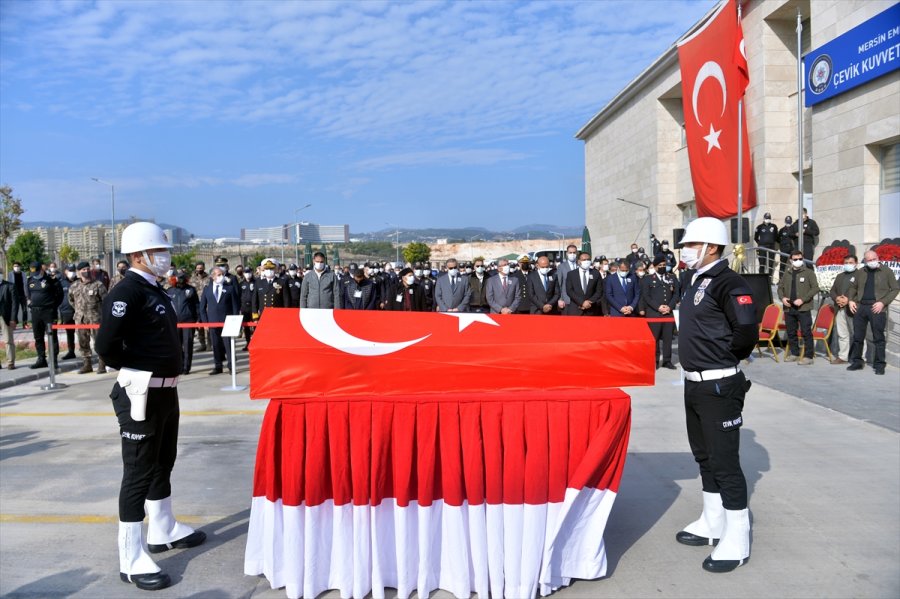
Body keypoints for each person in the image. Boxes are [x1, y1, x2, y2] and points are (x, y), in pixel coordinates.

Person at [95, 222, 205, 591]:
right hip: (140, 392)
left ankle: (163, 526)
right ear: (139, 256)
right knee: (138, 470)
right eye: (159, 252)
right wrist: (137, 367)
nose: (165, 257)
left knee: (163, 460)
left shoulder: (152, 289)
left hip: (164, 391)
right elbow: (107, 346)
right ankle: (131, 555)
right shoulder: (127, 291)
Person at [675, 217, 757, 573]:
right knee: (704, 456)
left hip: (719, 384)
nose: (686, 251)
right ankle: (713, 521)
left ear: (711, 247)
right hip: (694, 383)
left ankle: (737, 536)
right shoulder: (695, 279)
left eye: (692, 245)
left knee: (725, 462)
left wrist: (726, 359)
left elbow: (746, 330)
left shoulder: (729, 282)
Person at [847, 250, 900, 375]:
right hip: (861, 307)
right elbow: (852, 287)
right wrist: (850, 300)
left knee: (878, 337)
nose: (871, 262)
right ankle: (857, 361)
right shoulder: (861, 272)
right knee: (858, 337)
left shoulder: (887, 271)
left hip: (877, 307)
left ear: (877, 258)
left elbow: (895, 289)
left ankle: (880, 364)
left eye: (873, 259)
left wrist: (883, 302)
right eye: (868, 260)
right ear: (865, 261)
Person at [776, 250, 819, 365]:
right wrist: (783, 298)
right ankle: (794, 353)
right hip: (789, 308)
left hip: (803, 308)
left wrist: (803, 299)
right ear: (790, 260)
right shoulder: (787, 273)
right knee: (791, 332)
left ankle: (808, 356)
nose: (798, 261)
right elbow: (780, 288)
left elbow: (815, 288)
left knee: (806, 332)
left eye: (800, 259)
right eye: (795, 259)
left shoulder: (809, 272)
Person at [640, 255, 679, 369]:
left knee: (668, 338)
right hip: (654, 313)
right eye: (660, 265)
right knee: (655, 339)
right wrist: (658, 307)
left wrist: (669, 307)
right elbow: (646, 296)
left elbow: (676, 293)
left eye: (664, 265)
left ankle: (667, 360)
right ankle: (655, 360)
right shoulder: (648, 279)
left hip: (668, 313)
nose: (662, 267)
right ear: (655, 267)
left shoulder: (671, 277)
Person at [69, 261, 108, 374]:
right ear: (79, 272)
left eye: (87, 269)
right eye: (83, 270)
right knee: (83, 342)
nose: (86, 271)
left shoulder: (98, 285)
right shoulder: (74, 286)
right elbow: (71, 300)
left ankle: (102, 364)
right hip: (80, 319)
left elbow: (106, 301)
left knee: (98, 342)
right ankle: (87, 364)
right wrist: (79, 311)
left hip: (95, 318)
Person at [200, 266, 239, 375]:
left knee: (228, 345)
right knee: (216, 345)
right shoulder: (207, 289)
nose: (222, 276)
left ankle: (231, 366)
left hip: (227, 322)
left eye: (222, 274)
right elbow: (202, 307)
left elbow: (235, 306)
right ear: (212, 276)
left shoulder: (229, 288)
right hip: (212, 322)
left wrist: (236, 321)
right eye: (219, 274)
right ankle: (218, 366)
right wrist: (205, 322)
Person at [25, 261, 63, 369]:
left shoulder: (51, 280)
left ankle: (54, 360)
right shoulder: (30, 280)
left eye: (37, 272)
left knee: (52, 336)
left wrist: (53, 306)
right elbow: (28, 294)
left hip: (49, 312)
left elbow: (59, 294)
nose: (35, 275)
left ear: (42, 270)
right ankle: (41, 359)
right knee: (38, 336)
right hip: (36, 312)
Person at [166, 273, 199, 374]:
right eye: (178, 279)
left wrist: (198, 319)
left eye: (182, 279)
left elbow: (196, 305)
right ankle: (179, 366)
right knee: (177, 345)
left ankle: (186, 367)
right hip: (174, 322)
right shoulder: (170, 291)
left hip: (188, 321)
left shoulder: (191, 290)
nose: (180, 281)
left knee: (188, 344)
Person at [828, 255, 858, 365]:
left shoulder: (860, 275)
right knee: (842, 334)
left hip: (853, 309)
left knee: (857, 334)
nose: (848, 264)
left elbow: (861, 292)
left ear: (856, 263)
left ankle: (859, 358)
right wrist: (837, 298)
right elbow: (832, 290)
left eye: (851, 262)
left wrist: (848, 300)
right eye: (846, 262)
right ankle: (843, 357)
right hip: (840, 309)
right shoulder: (840, 276)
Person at [189, 262, 211, 351]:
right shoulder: (192, 279)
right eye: (198, 268)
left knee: (208, 325)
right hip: (196, 304)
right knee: (199, 325)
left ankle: (210, 344)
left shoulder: (209, 278)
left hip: (207, 304)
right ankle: (202, 344)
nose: (199, 269)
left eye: (201, 268)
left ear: (204, 268)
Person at [58, 265, 78, 360]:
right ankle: (71, 351)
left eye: (73, 270)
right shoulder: (61, 283)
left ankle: (86, 351)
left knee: (83, 332)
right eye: (70, 270)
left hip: (79, 311)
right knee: (69, 333)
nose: (72, 272)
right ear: (65, 271)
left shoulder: (79, 281)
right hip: (66, 311)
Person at [0, 266, 18, 369]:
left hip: (5, 317)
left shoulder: (9, 286)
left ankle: (10, 362)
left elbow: (15, 304)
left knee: (8, 340)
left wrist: (13, 318)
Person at [555, 244, 579, 313]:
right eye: (570, 253)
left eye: (574, 252)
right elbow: (559, 284)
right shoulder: (561, 267)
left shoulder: (579, 265)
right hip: (566, 300)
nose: (572, 254)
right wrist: (560, 299)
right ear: (567, 253)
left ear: (577, 253)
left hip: (579, 300)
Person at [237, 268, 256, 350]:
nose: (247, 274)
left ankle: (255, 343)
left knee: (255, 326)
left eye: (249, 272)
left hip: (254, 308)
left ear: (252, 273)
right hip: (244, 308)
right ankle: (248, 343)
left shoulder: (256, 283)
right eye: (246, 272)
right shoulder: (241, 284)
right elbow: (238, 296)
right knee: (246, 327)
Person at [8, 261, 28, 326]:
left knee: (25, 310)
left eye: (17, 266)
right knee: (15, 310)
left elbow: (25, 284)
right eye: (15, 266)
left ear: (20, 267)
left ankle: (25, 323)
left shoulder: (23, 274)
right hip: (14, 295)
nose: (16, 267)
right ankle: (15, 323)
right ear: (13, 267)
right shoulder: (10, 274)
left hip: (23, 294)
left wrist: (27, 295)